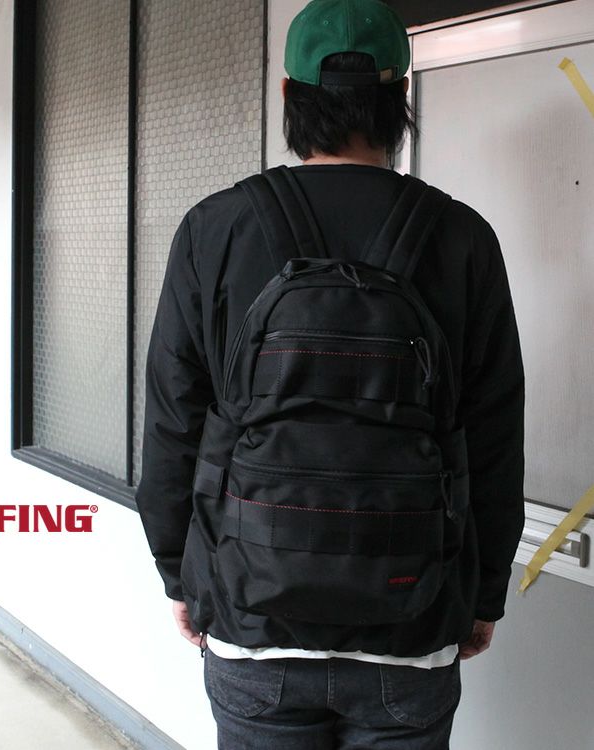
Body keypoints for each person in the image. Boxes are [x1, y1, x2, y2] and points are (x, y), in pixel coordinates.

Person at [135, 0, 525, 747]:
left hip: (252, 619)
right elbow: (495, 432)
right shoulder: (463, 238)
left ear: (289, 94)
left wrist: (180, 573)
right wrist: (484, 592)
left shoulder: (215, 229)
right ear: (399, 97)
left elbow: (173, 418)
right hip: (412, 624)